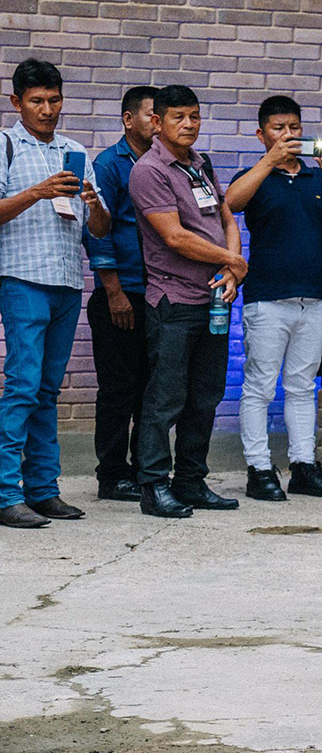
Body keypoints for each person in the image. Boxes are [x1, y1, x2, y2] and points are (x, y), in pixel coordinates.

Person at [223, 95, 322, 502]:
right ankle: (259, 469)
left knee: (302, 386)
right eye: (279, 128)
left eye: (295, 128)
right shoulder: (254, 174)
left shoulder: (317, 179)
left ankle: (303, 465)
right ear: (261, 133)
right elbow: (229, 204)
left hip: (314, 299)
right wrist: (269, 160)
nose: (289, 135)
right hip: (267, 299)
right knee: (260, 387)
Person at [0, 58, 110, 529]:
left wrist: (93, 202)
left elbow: (99, 231)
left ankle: (43, 491)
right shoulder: (5, 146)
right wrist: (37, 192)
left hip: (67, 281)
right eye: (37, 101)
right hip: (22, 278)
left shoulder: (75, 150)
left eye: (54, 100)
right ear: (16, 103)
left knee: (47, 392)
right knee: (23, 387)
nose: (47, 109)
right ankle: (6, 493)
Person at [127, 84, 242, 519]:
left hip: (214, 298)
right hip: (173, 301)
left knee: (206, 397)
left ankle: (190, 482)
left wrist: (232, 269)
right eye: (178, 116)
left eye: (194, 115)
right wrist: (232, 259)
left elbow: (227, 216)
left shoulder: (200, 163)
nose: (189, 124)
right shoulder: (149, 171)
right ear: (156, 122)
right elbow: (174, 237)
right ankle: (153, 486)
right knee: (165, 398)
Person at [86, 85, 158, 504]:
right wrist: (113, 291)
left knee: (153, 389)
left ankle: (142, 467)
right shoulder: (110, 165)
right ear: (129, 120)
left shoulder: (168, 164)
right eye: (152, 114)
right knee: (118, 389)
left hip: (159, 295)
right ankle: (111, 474)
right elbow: (97, 232)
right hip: (122, 293)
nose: (158, 122)